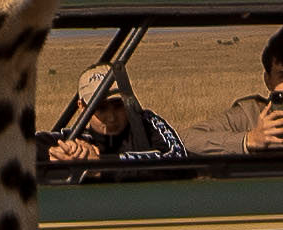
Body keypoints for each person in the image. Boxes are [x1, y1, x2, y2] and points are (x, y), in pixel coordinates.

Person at [44, 65, 187, 161]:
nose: (112, 118)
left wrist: (100, 164)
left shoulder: (147, 123)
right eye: (101, 108)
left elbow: (178, 158)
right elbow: (30, 146)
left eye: (118, 105)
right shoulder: (78, 139)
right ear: (82, 107)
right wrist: (55, 153)